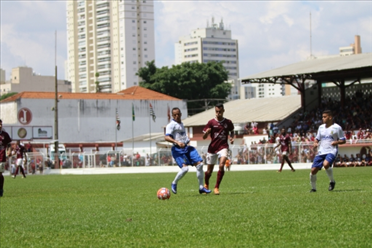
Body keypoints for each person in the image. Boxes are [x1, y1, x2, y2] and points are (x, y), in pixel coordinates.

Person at [165, 107, 211, 195]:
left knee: (200, 165)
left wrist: (186, 140)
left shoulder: (181, 124)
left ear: (181, 114)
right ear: (172, 115)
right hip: (177, 150)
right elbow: (166, 137)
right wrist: (177, 142)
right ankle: (174, 182)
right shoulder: (171, 125)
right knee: (185, 169)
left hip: (186, 148)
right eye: (175, 115)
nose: (177, 116)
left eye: (178, 114)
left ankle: (201, 188)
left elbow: (181, 135)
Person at [310, 110, 346, 193]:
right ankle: (313, 189)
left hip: (332, 150)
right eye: (322, 117)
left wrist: (336, 142)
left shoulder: (337, 127)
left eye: (325, 117)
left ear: (330, 117)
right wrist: (315, 143)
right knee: (313, 170)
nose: (323, 118)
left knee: (326, 164)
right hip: (321, 151)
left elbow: (343, 140)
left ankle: (332, 181)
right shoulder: (321, 127)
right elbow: (317, 139)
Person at [202, 103, 234, 195]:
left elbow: (232, 131)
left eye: (220, 111)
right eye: (216, 111)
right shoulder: (211, 122)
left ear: (223, 111)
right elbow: (204, 137)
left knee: (221, 165)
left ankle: (216, 187)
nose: (218, 113)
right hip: (212, 148)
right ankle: (206, 184)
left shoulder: (228, 122)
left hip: (223, 147)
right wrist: (207, 133)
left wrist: (231, 137)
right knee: (209, 171)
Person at [0, 119, 12, 197]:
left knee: (0, 174)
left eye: (1, 124)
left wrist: (9, 150)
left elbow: (9, 144)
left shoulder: (5, 134)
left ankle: (0, 189)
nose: (0, 126)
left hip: (1, 157)